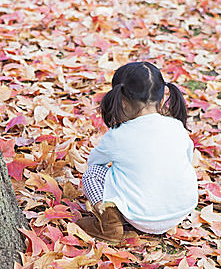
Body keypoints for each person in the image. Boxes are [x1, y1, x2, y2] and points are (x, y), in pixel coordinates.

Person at [78, 61, 198, 241]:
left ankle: (110, 225)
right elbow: (188, 159)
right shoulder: (176, 126)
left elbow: (95, 162)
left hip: (140, 216)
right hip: (179, 211)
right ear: (163, 94)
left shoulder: (118, 135)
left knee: (92, 175)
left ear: (123, 102)